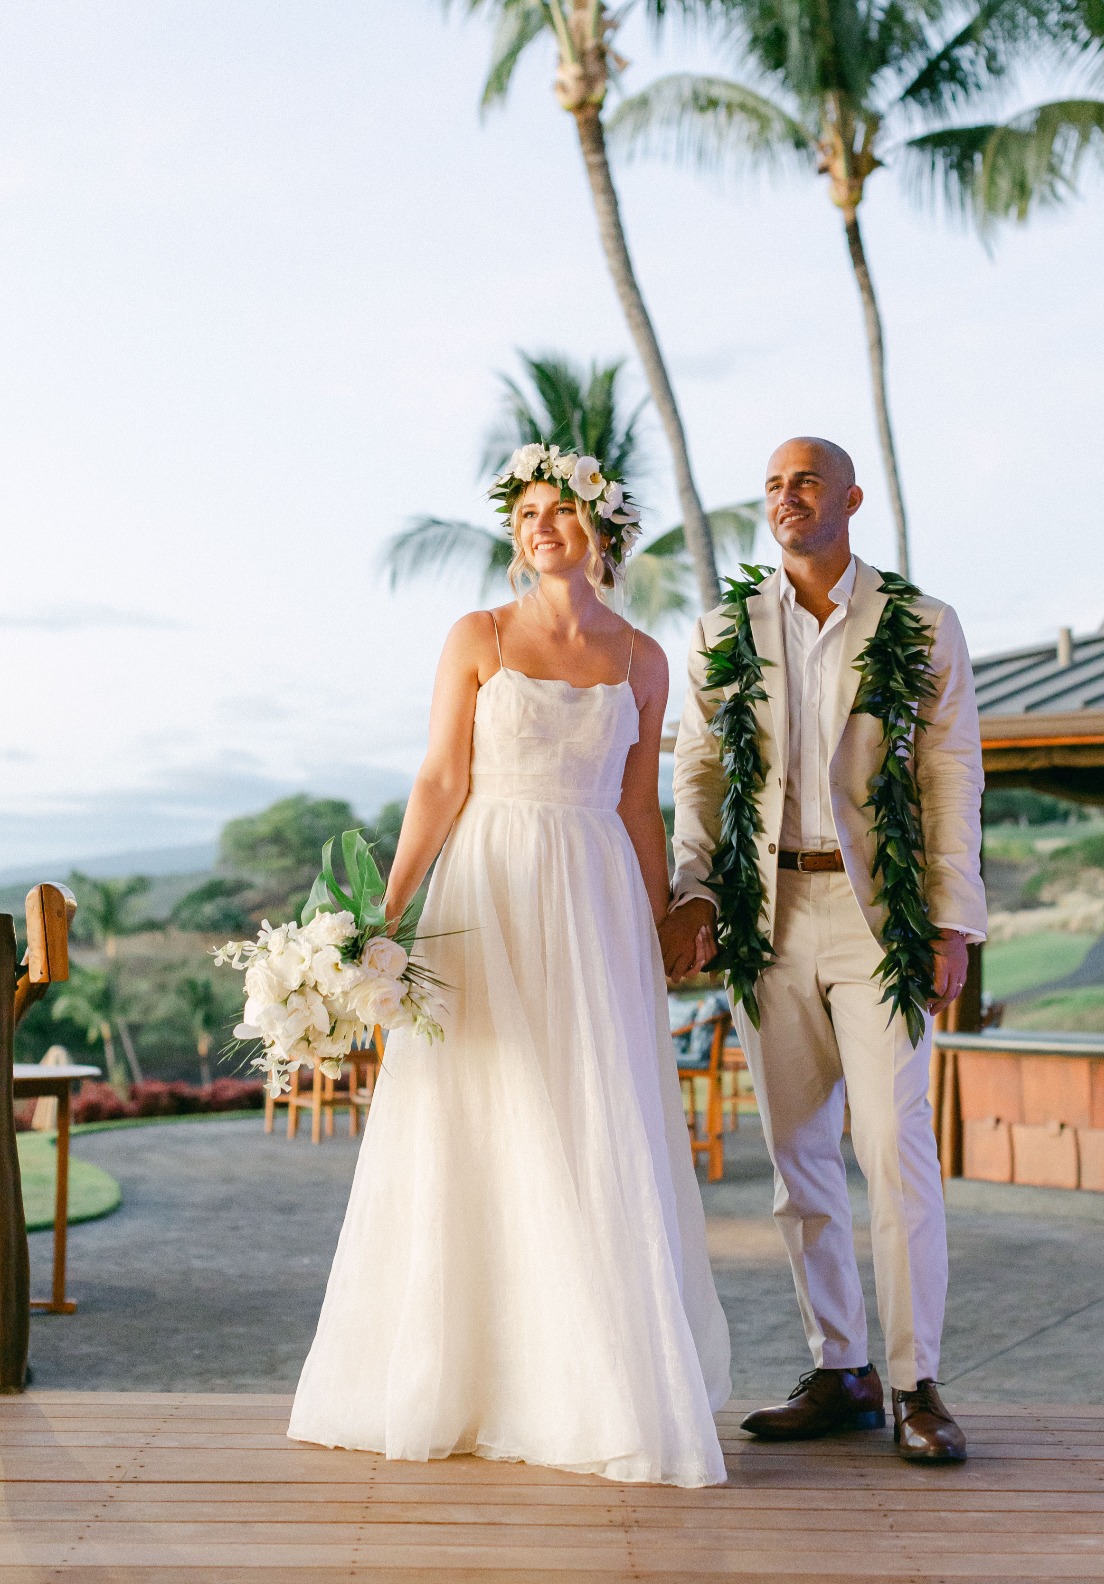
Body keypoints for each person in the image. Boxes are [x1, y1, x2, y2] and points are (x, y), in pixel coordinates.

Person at [288, 443, 731, 1488]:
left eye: (563, 511)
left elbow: (635, 803)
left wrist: (665, 911)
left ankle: (591, 1385)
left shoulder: (642, 657)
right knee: (484, 1111)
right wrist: (381, 915)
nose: (543, 526)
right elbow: (442, 777)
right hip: (488, 883)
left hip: (596, 899)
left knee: (591, 1114)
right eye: (529, 512)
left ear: (602, 532)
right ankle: (467, 1377)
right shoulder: (477, 636)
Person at [661, 437, 986, 1464]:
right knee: (798, 1158)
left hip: (876, 913)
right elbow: (700, 775)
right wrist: (697, 888)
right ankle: (839, 1365)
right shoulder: (724, 630)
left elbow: (951, 775)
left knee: (895, 1153)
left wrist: (952, 917)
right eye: (772, 484)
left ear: (849, 499)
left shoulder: (921, 625)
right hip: (769, 915)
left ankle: (914, 1380)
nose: (784, 497)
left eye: (805, 481)